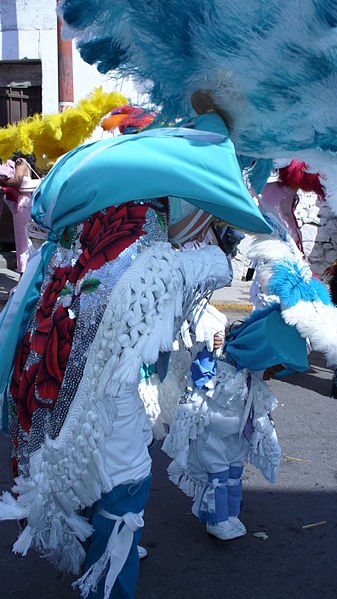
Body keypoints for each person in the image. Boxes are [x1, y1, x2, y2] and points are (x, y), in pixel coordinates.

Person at [0, 94, 271, 599]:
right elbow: (210, 268)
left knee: (97, 503)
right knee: (120, 509)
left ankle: (94, 558)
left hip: (67, 419)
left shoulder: (82, 254)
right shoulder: (148, 265)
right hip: (112, 430)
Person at [163, 305, 309, 540]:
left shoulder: (251, 376)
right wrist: (211, 350)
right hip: (214, 439)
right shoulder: (223, 369)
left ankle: (230, 515)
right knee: (218, 478)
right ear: (261, 354)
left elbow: (257, 409)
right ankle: (216, 520)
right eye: (273, 369)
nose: (272, 375)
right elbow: (199, 383)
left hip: (235, 437)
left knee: (233, 474)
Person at [0, 153, 40, 275]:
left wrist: (3, 179)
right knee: (27, 241)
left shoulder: (20, 161)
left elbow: (18, 181)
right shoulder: (27, 162)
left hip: (23, 204)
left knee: (22, 242)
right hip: (28, 203)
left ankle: (23, 275)